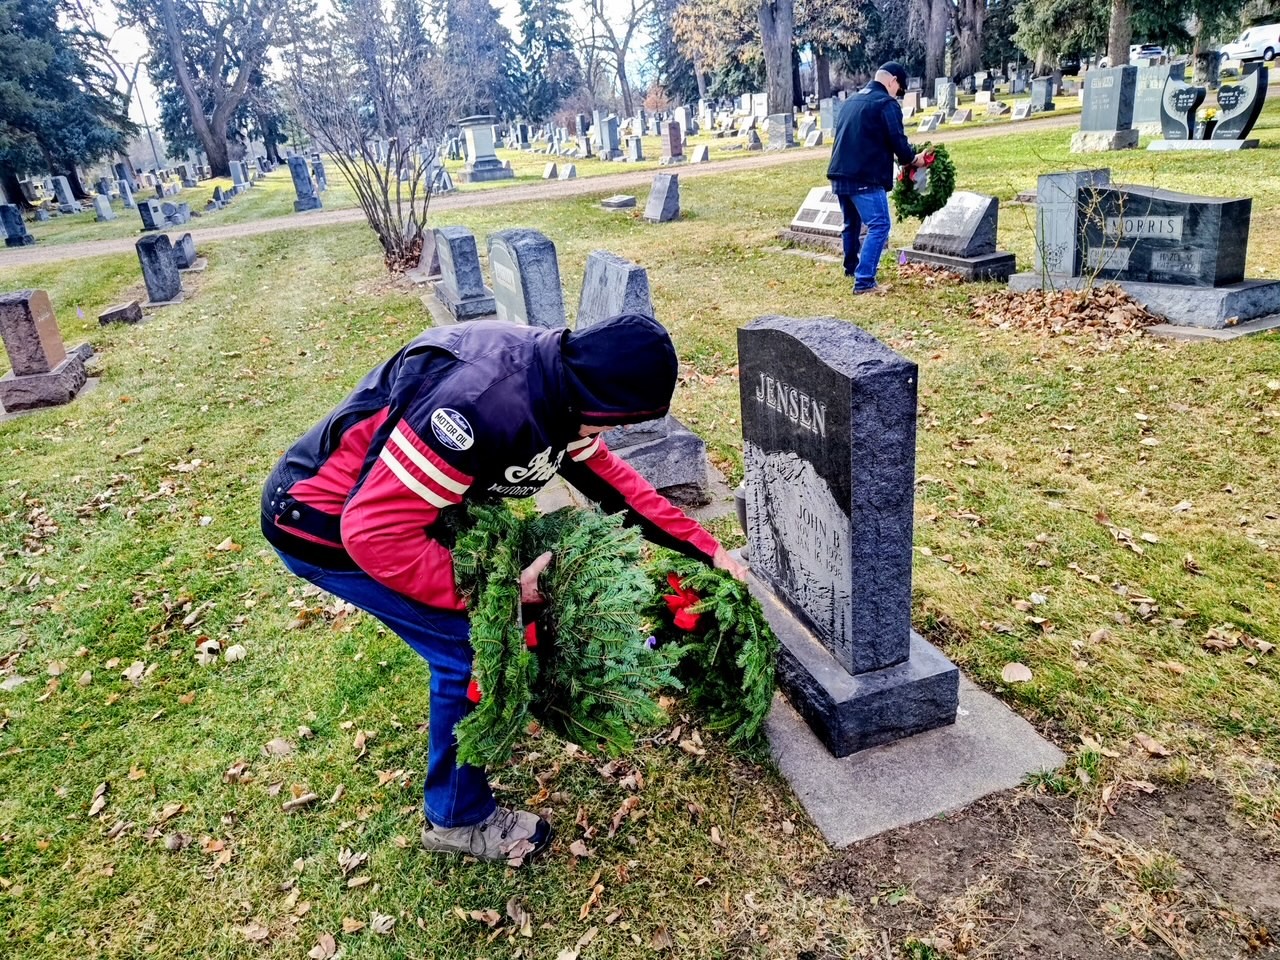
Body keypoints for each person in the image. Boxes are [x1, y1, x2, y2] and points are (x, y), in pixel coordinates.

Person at [261, 314, 747, 864]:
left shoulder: (560, 385)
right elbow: (374, 534)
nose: (602, 436)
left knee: (495, 629)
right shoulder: (478, 407)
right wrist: (499, 594)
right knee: (473, 648)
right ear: (590, 402)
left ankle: (474, 752)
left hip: (385, 512)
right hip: (323, 527)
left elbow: (613, 481)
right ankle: (457, 818)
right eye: (606, 423)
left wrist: (706, 548)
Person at [826, 61, 930, 295]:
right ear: (892, 80)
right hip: (865, 175)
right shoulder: (886, 104)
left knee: (851, 224)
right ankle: (864, 282)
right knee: (880, 224)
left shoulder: (851, 101)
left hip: (840, 172)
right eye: (899, 89)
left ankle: (851, 269)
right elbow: (899, 143)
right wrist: (915, 160)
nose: (898, 94)